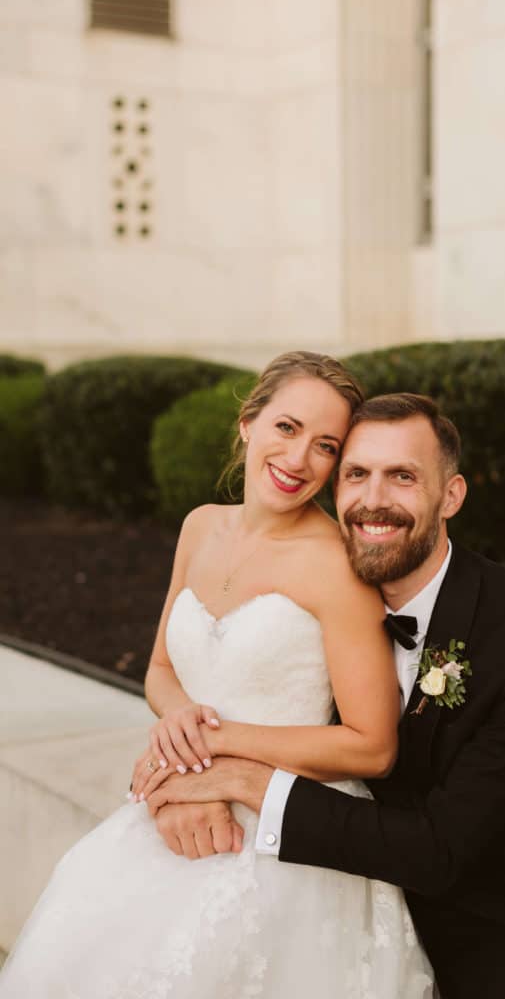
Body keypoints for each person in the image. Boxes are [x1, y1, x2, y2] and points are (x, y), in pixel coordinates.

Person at [144, 393, 505, 999]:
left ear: (452, 496)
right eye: (357, 474)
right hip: (332, 878)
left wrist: (240, 781)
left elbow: (443, 848)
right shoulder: (304, 602)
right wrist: (178, 776)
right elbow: (216, 696)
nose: (374, 501)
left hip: (499, 910)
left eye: (403, 477)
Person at [0, 355, 434, 998]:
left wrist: (208, 747)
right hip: (177, 801)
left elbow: (372, 745)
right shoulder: (199, 526)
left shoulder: (336, 567)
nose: (299, 459)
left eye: (326, 447)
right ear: (247, 424)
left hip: (285, 829)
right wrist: (178, 723)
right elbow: (161, 670)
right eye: (286, 428)